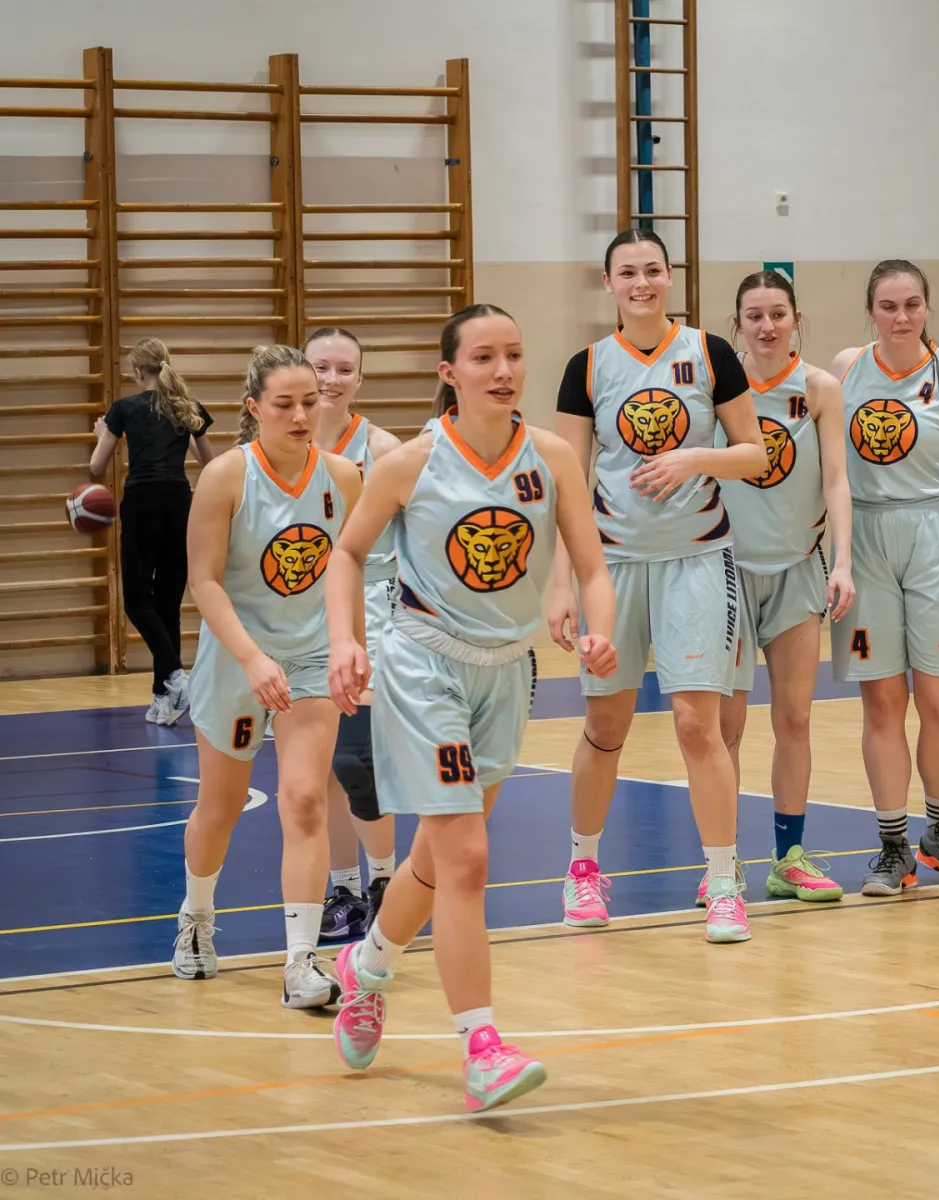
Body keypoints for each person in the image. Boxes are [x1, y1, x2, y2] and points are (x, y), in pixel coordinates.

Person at [325, 304, 618, 1113]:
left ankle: (366, 966)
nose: (504, 370)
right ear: (449, 372)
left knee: (436, 859)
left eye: (514, 354)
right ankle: (482, 1047)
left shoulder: (552, 457)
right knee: (468, 859)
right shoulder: (411, 462)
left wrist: (600, 629)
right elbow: (347, 553)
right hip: (424, 665)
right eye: (484, 357)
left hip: (506, 671)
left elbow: (593, 566)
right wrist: (347, 641)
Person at [546, 229, 767, 943]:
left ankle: (724, 880)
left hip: (698, 559)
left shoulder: (710, 352)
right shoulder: (586, 367)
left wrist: (694, 458)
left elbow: (756, 454)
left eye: (652, 270)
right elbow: (567, 486)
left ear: (671, 276)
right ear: (608, 283)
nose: (641, 282)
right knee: (605, 727)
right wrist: (560, 585)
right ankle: (583, 870)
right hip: (610, 568)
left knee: (697, 725)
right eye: (628, 272)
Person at [172, 345, 363, 1012]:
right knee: (220, 808)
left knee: (305, 799)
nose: (301, 415)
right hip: (237, 657)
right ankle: (197, 916)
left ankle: (301, 962)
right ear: (254, 408)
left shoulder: (343, 477)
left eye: (310, 402)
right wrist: (254, 659)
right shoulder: (226, 476)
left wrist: (352, 644)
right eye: (285, 404)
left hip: (310, 657)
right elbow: (204, 582)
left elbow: (349, 569)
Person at [828, 259, 939, 895]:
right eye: (889, 306)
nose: (901, 317)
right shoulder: (845, 369)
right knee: (881, 703)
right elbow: (827, 469)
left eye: (912, 305)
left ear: (927, 307)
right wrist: (833, 556)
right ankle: (893, 844)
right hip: (865, 535)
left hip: (937, 534)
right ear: (870, 311)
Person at [715, 270, 856, 903]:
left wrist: (842, 561)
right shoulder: (718, 387)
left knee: (795, 719)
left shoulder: (820, 388)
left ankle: (788, 857)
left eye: (778, 313)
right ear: (737, 323)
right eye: (755, 315)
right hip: (726, 572)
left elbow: (836, 480)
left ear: (797, 318)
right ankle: (723, 863)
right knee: (726, 728)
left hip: (798, 568)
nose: (767, 325)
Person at [306, 327, 401, 945]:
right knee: (320, 766)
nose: (331, 379)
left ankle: (386, 882)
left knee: (357, 759)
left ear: (360, 380)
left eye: (344, 369)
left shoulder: (383, 448)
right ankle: (342, 889)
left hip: (372, 608)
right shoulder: (276, 448)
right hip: (302, 615)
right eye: (321, 367)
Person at [90, 338, 215, 724]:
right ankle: (165, 697)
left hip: (142, 502)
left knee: (136, 600)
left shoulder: (124, 408)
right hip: (179, 502)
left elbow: (96, 466)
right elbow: (210, 464)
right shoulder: (187, 407)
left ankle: (175, 676)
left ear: (137, 371)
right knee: (167, 605)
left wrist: (102, 435)